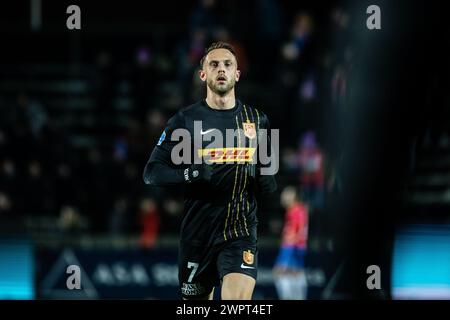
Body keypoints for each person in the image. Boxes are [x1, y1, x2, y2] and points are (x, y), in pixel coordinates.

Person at [143, 42, 277, 300]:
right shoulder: (185, 120)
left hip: (240, 233)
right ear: (202, 74)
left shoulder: (258, 121)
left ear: (237, 74)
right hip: (197, 236)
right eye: (214, 64)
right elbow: (151, 172)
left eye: (228, 64)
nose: (221, 69)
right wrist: (189, 174)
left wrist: (264, 176)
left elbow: (269, 185)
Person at [273, 186, 309, 300]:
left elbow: (293, 234)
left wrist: (286, 243)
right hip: (300, 247)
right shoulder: (301, 209)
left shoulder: (294, 211)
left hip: (291, 248)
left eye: (286, 195)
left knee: (279, 273)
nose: (283, 197)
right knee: (296, 274)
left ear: (294, 197)